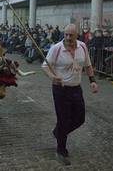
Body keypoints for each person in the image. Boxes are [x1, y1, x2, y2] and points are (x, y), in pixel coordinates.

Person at [41, 24, 98, 166]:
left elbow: (88, 65)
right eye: (65, 34)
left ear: (76, 35)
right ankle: (61, 150)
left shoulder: (83, 47)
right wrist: (52, 76)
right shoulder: (56, 48)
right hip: (60, 89)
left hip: (76, 88)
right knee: (63, 119)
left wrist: (92, 81)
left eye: (71, 35)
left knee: (80, 118)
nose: (68, 38)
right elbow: (45, 65)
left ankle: (58, 132)